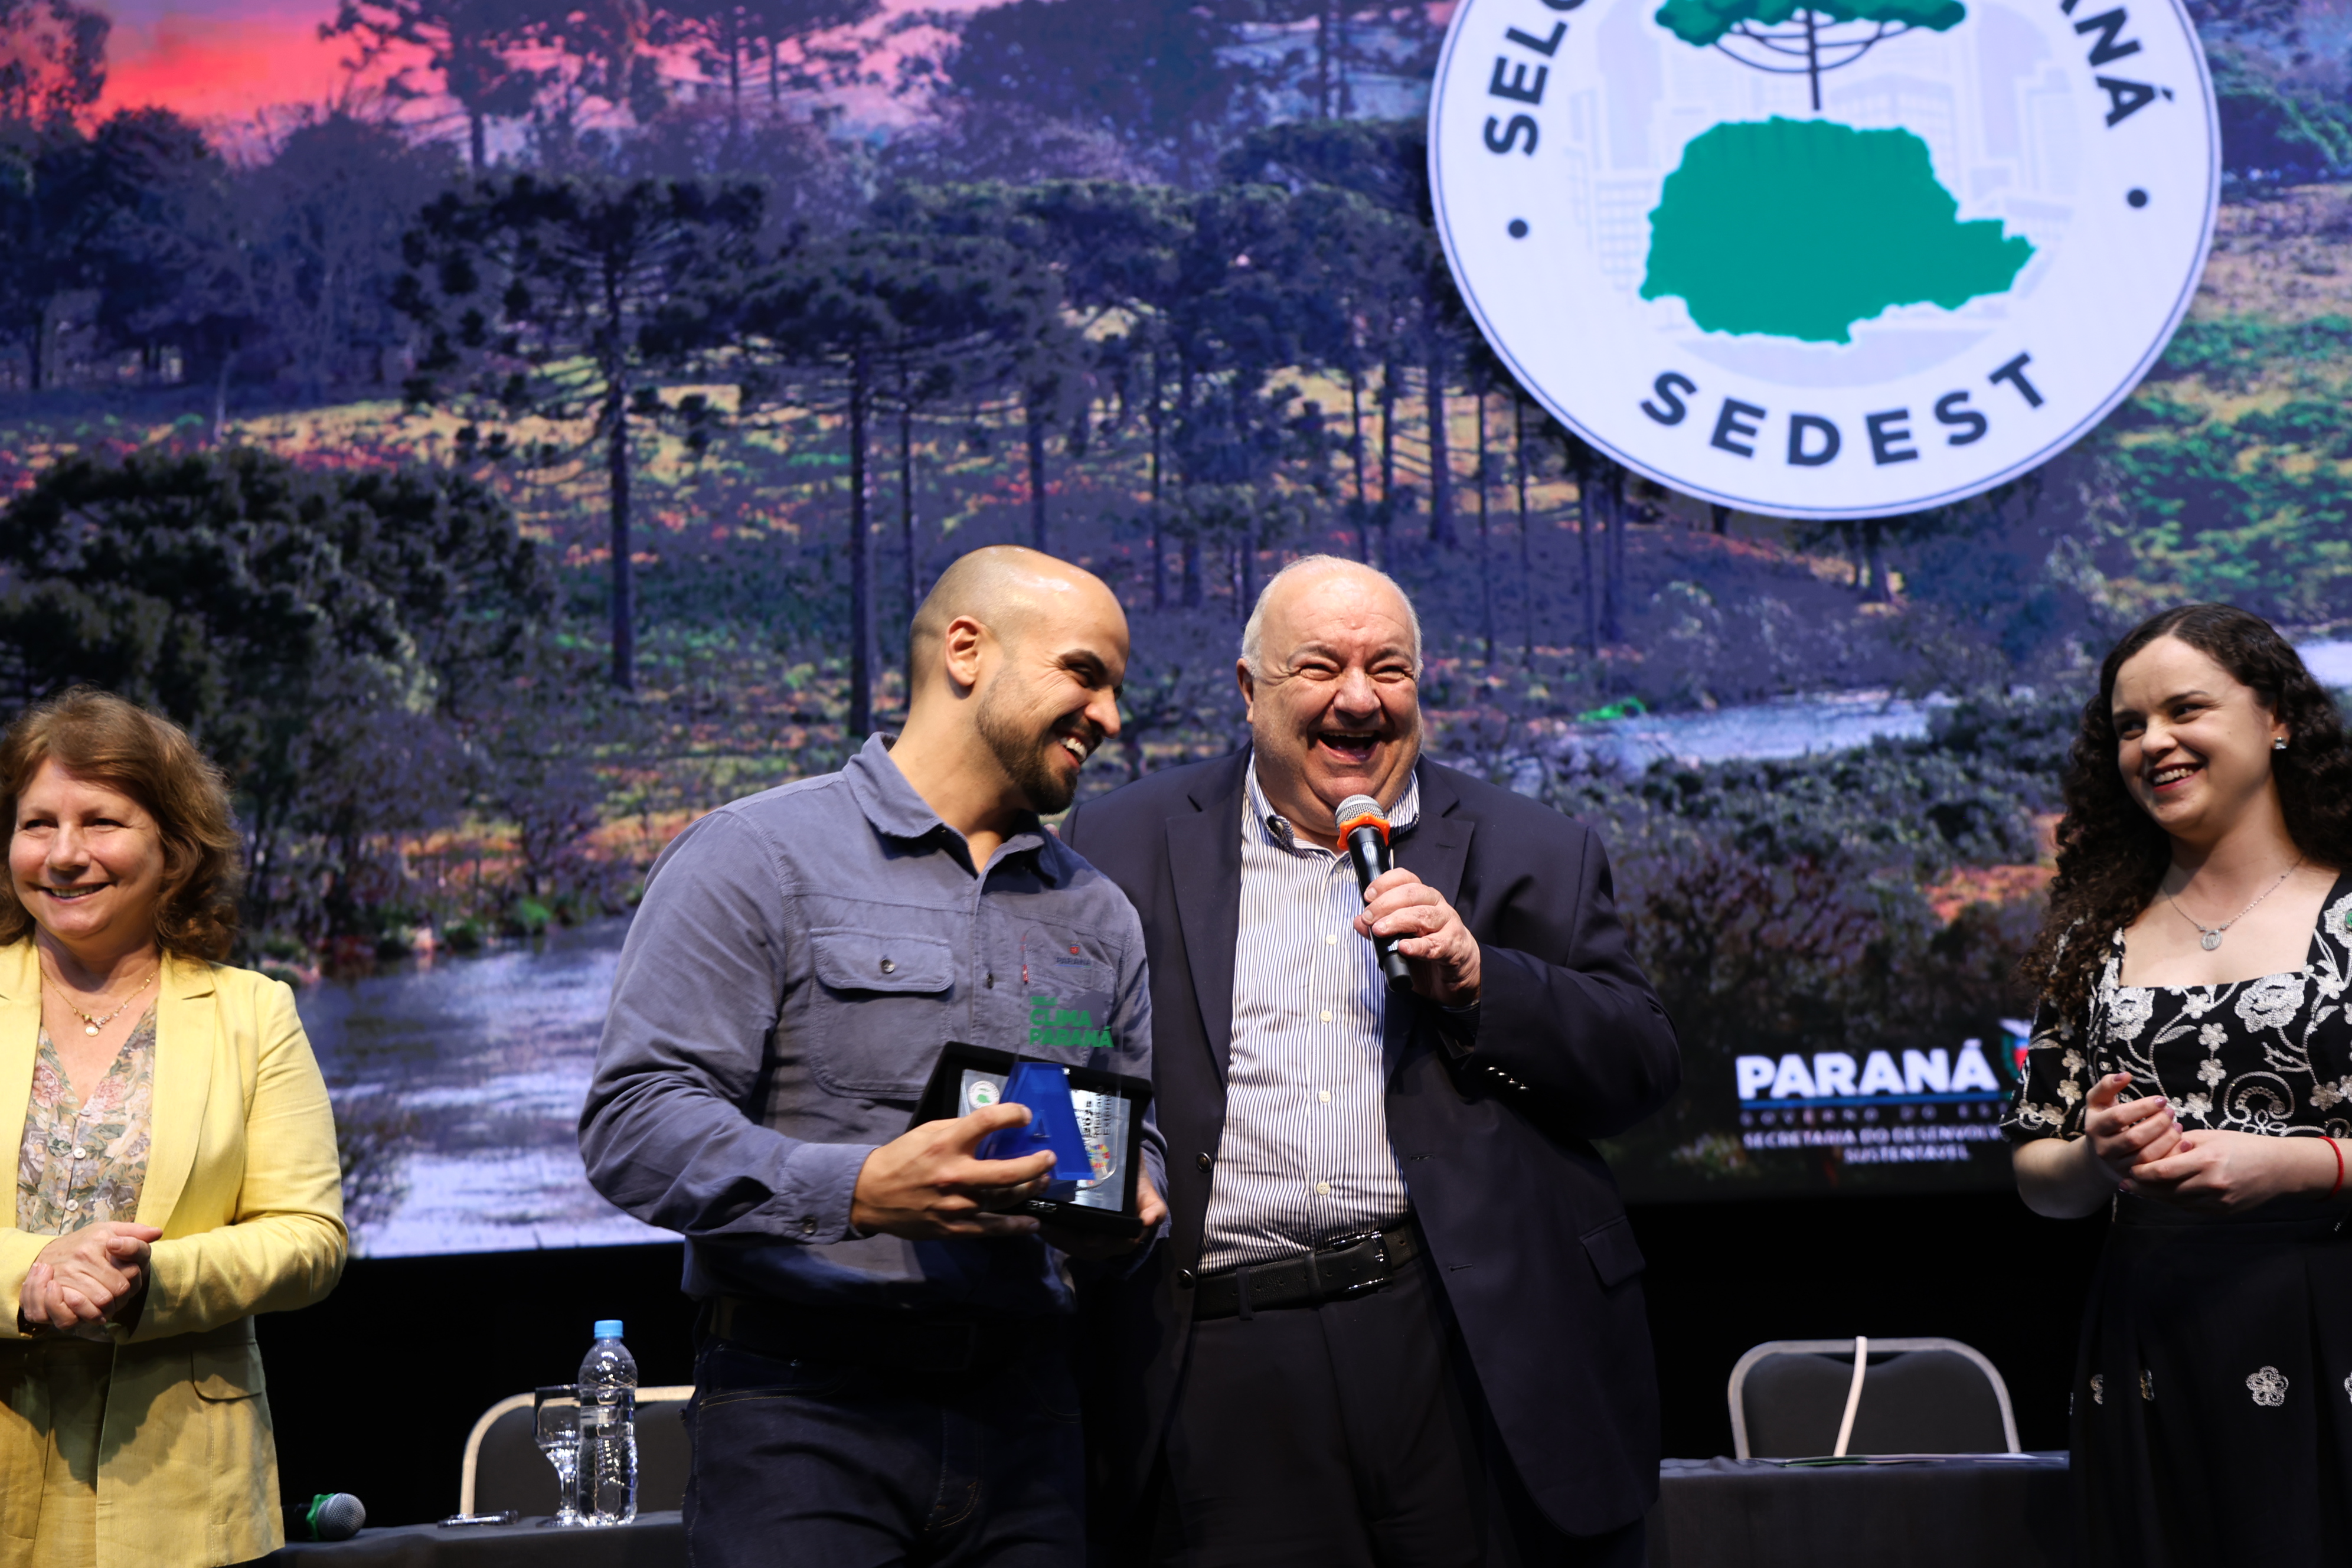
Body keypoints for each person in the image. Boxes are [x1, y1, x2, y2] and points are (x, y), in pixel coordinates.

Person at [1060, 555, 1680, 1568]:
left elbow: (1641, 1068)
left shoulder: (1537, 850)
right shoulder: (1118, 841)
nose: (1359, 698)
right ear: (1250, 690)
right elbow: (1062, 1039)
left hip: (1462, 1341)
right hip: (1220, 1355)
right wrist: (1091, 1181)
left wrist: (1481, 981)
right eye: (1320, 667)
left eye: (1388, 669)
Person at [580, 545, 1168, 1568]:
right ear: (967, 651)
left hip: (1031, 1424)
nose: (1110, 718)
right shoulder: (755, 855)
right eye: (1085, 674)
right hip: (802, 1420)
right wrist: (856, 1190)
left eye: (1116, 688)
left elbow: (1137, 1140)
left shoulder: (1099, 915)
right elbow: (635, 1123)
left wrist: (1131, 1207)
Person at [2004, 603, 2352, 1563]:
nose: (2153, 742)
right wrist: (2095, 1158)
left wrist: (2299, 1167)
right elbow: (2039, 1175)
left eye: (2185, 710)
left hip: (2332, 1319)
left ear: (2277, 717)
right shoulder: (2093, 939)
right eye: (2129, 726)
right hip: (2151, 1340)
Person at [0, 689, 347, 1568]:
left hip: (186, 1496)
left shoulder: (253, 1014)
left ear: (174, 848)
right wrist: (30, 1274)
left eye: (102, 822)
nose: (65, 854)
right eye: (38, 824)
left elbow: (309, 1238)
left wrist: (153, 1281)